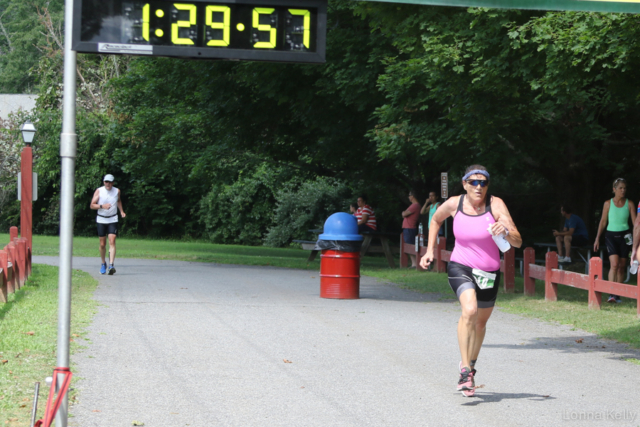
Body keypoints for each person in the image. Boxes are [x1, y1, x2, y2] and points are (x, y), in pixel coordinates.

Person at [419, 165, 522, 397]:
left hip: (489, 272)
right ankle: (465, 372)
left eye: (483, 182)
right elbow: (435, 220)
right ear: (464, 184)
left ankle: (471, 366)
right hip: (461, 266)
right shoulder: (455, 204)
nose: (479, 186)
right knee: (470, 310)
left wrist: (504, 230)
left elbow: (517, 241)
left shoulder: (496, 205)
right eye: (473, 182)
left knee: (480, 324)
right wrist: (430, 251)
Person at [594, 178, 636, 303]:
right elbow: (603, 221)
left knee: (622, 266)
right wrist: (597, 238)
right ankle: (611, 293)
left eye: (625, 188)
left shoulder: (630, 203)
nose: (623, 190)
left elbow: (635, 223)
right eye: (620, 188)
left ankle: (617, 295)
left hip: (625, 236)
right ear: (614, 189)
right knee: (614, 264)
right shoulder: (607, 203)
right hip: (611, 235)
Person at [90, 174, 126, 275]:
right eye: (106, 182)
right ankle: (103, 263)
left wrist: (121, 211)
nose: (108, 184)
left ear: (113, 183)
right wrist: (102, 206)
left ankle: (111, 265)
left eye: (110, 182)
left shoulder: (117, 191)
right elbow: (92, 205)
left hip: (113, 219)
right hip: (101, 219)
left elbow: (118, 201)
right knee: (102, 244)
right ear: (104, 182)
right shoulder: (99, 191)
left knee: (112, 241)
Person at [402, 190, 422, 267]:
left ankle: (415, 263)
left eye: (409, 195)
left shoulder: (415, 205)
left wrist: (404, 212)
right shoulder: (414, 205)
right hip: (408, 228)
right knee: (409, 245)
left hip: (410, 228)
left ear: (412, 196)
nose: (408, 197)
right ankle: (413, 263)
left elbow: (404, 214)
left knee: (411, 245)